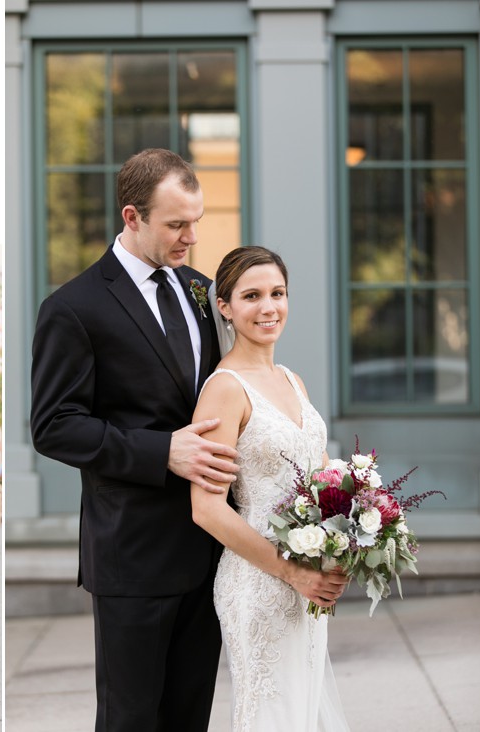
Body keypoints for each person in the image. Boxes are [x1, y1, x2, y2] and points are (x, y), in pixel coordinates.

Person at [31, 148, 240, 731]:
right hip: (133, 556)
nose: (191, 237)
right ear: (132, 217)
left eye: (195, 221)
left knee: (188, 717)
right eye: (176, 225)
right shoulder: (72, 308)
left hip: (209, 546)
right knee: (129, 720)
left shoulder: (201, 291)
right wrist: (161, 451)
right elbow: (53, 425)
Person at [190, 246, 350, 730]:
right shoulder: (223, 388)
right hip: (259, 582)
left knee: (302, 712)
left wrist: (350, 539)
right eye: (251, 296)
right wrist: (292, 573)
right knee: (273, 715)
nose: (268, 307)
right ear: (226, 307)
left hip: (308, 580)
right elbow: (207, 509)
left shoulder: (291, 379)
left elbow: (323, 481)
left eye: (277, 294)